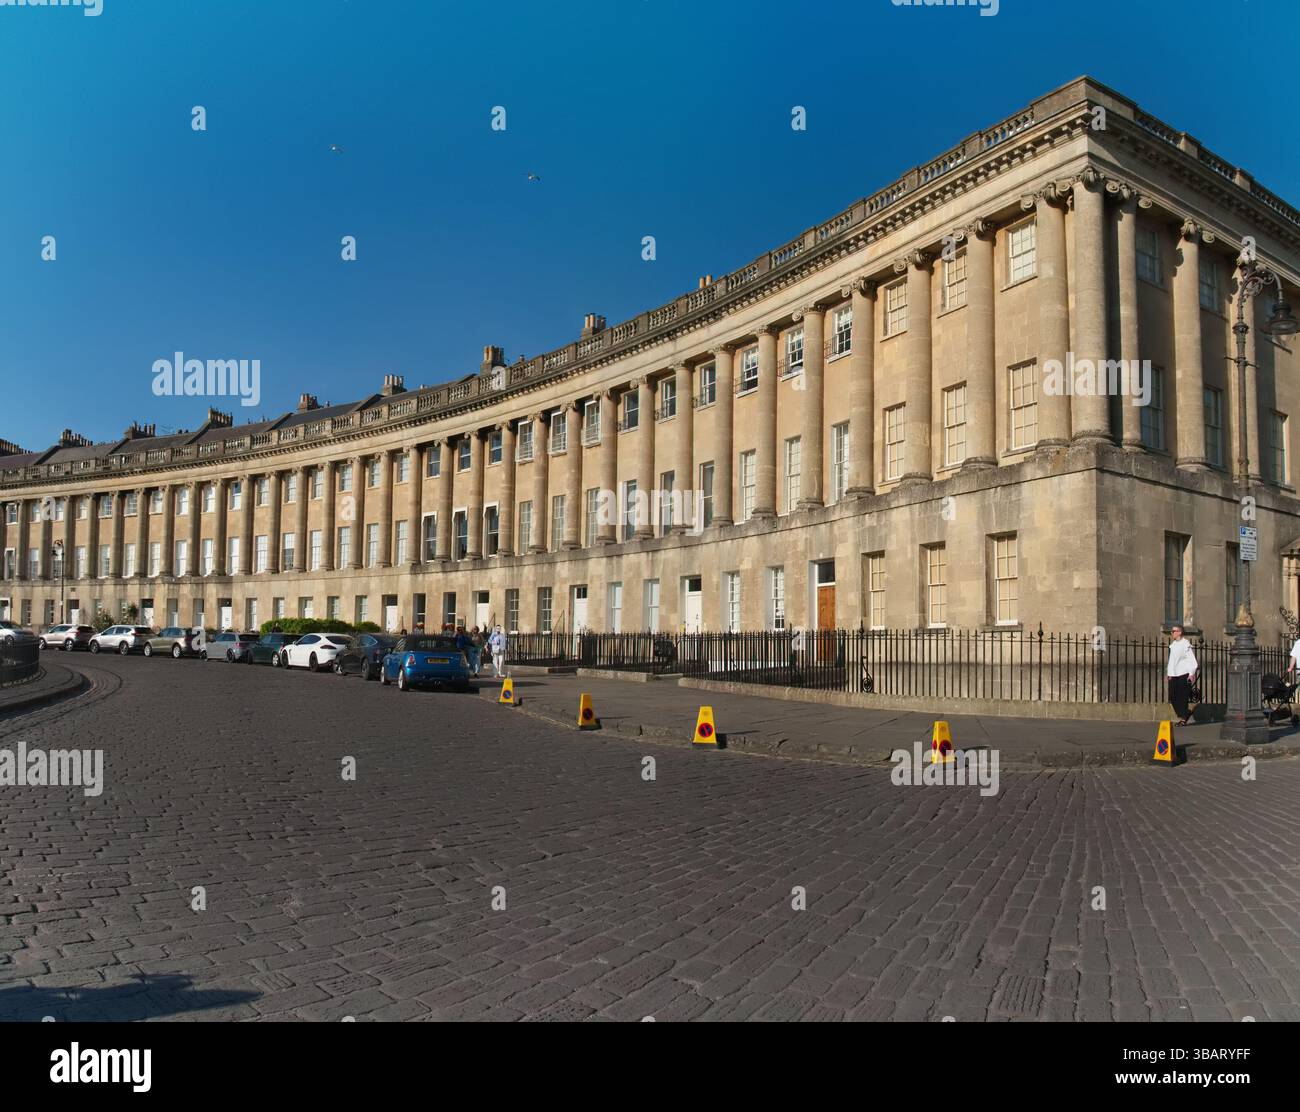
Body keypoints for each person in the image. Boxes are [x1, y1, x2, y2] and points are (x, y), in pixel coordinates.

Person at [1166, 625, 1198, 727]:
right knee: (1172, 696)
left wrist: (1191, 673)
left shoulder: (1185, 644)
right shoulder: (1173, 645)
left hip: (1184, 673)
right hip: (1174, 674)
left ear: (1180, 632)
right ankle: (1186, 713)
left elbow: (1192, 660)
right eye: (1172, 631)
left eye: (1174, 631)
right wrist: (1169, 673)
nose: (1172, 633)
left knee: (1182, 697)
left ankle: (1183, 719)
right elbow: (1171, 661)